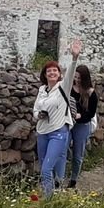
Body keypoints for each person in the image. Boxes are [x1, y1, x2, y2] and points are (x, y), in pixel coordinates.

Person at [33, 39, 82, 199]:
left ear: (59, 74)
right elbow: (35, 109)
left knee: (46, 169)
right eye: (49, 71)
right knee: (46, 167)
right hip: (42, 131)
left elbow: (70, 73)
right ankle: (58, 193)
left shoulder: (63, 87)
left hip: (58, 131)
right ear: (45, 75)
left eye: (55, 71)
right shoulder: (42, 90)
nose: (52, 73)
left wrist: (74, 57)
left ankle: (48, 202)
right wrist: (38, 115)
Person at [67, 64, 98, 188]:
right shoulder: (69, 88)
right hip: (69, 123)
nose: (77, 80)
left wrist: (81, 116)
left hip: (82, 125)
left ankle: (73, 179)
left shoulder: (90, 93)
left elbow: (91, 113)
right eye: (75, 77)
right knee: (63, 148)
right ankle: (59, 176)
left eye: (80, 78)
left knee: (78, 154)